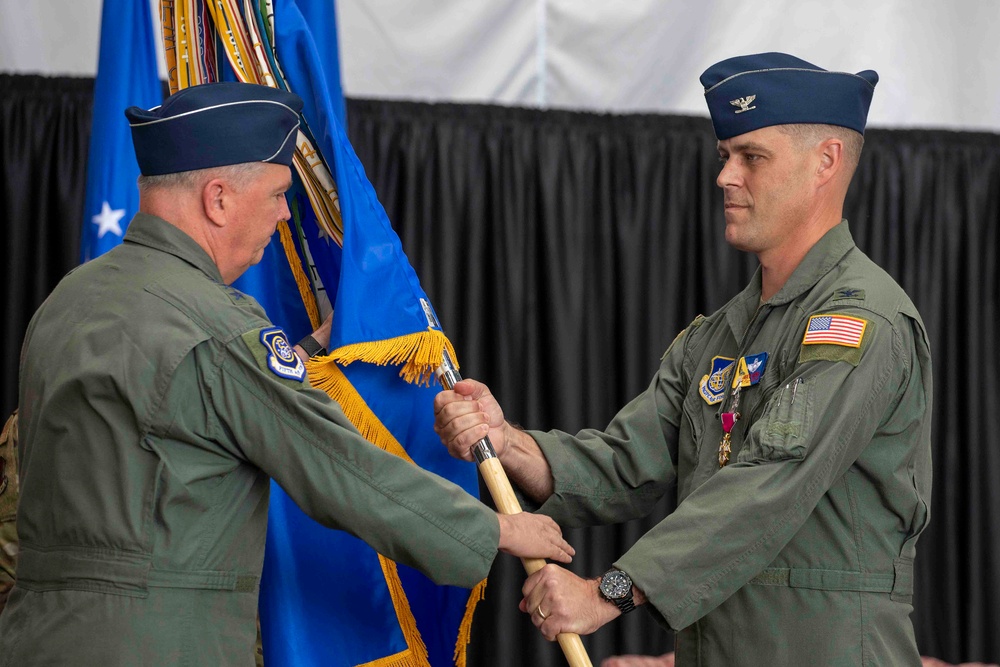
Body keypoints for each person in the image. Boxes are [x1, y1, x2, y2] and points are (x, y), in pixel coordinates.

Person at [0, 82, 574, 665]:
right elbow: (339, 467)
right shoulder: (220, 327)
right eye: (278, 194)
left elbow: (163, 426)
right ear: (217, 200)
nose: (283, 214)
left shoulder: (66, 301)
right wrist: (492, 530)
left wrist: (289, 359)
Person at [435, 52, 933, 665]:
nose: (726, 176)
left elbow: (768, 487)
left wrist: (606, 593)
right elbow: (622, 465)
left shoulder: (860, 323)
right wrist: (504, 440)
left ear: (825, 161)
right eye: (725, 156)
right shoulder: (718, 335)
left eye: (752, 157)